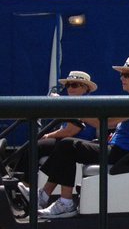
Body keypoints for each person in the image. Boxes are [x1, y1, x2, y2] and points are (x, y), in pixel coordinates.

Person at [35, 56, 129, 219]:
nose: (122, 78)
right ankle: (44, 195)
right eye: (122, 74)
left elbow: (106, 123)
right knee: (65, 146)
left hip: (127, 154)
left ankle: (65, 202)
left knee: (67, 146)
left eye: (128, 75)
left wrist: (69, 107)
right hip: (122, 150)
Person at [14, 69, 98, 211]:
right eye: (68, 85)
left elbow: (72, 130)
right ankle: (37, 194)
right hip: (68, 141)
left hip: (77, 141)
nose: (70, 88)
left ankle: (25, 187)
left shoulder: (84, 104)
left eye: (74, 85)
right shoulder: (72, 103)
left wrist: (49, 135)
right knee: (40, 146)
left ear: (86, 88)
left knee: (36, 146)